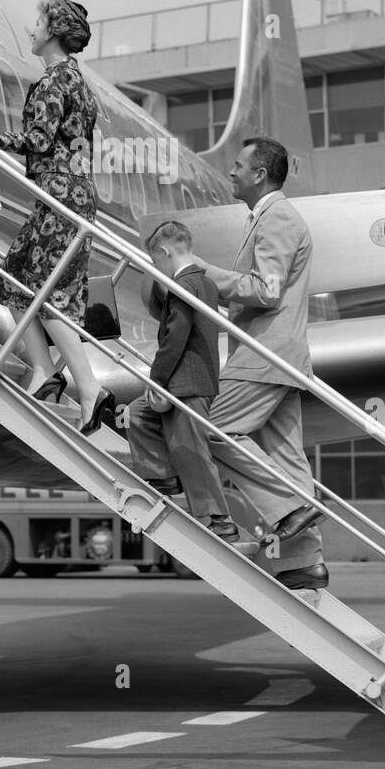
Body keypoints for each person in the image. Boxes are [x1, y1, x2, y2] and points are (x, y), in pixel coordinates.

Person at [0, 0, 115, 433]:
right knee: (16, 280)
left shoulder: (53, 82)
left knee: (45, 295)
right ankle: (45, 371)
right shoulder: (80, 84)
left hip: (61, 197)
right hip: (70, 195)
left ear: (52, 31)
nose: (31, 29)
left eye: (37, 22)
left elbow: (39, 138)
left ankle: (89, 389)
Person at [193, 137, 328, 592]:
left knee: (207, 428)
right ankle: (304, 561)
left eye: (238, 166)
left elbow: (266, 289)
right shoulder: (270, 218)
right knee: (286, 457)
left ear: (260, 175)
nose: (229, 172)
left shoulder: (279, 218)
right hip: (279, 357)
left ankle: (287, 509)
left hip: (264, 355)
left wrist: (204, 274)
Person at [124, 221, 250, 546]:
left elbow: (175, 336)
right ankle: (163, 476)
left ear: (165, 253)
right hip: (194, 379)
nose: (156, 270)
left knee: (190, 449)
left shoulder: (182, 286)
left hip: (187, 381)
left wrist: (157, 379)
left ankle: (219, 519)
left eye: (155, 263)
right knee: (139, 414)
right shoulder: (206, 284)